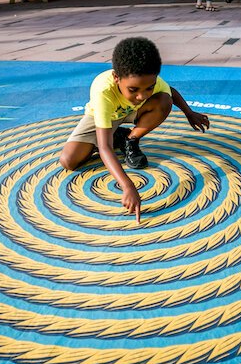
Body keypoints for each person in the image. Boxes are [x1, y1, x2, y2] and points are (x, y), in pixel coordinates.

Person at [58, 37, 211, 224]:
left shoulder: (147, 80)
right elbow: (105, 147)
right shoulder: (103, 90)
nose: (142, 95)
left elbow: (170, 91)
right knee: (68, 161)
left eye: (149, 88)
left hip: (132, 113)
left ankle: (129, 139)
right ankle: (116, 136)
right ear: (116, 78)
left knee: (163, 101)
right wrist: (128, 185)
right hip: (102, 118)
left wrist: (189, 113)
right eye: (133, 89)